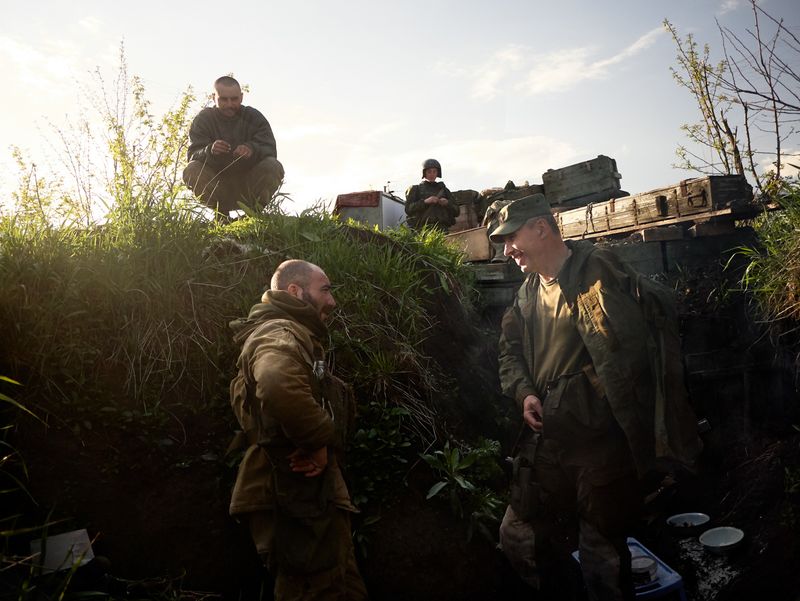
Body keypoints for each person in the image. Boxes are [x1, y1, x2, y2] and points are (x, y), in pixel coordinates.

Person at [490, 194, 700, 601]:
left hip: (601, 442)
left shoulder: (598, 269)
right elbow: (508, 352)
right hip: (548, 434)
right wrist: (525, 393)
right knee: (515, 533)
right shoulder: (527, 294)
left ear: (541, 228)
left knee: (602, 551)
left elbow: (638, 346)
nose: (507, 250)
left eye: (511, 237)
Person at [228, 259, 367, 600]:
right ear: (294, 291)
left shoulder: (293, 333)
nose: (332, 301)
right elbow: (276, 384)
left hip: (305, 495)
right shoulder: (280, 333)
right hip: (292, 492)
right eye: (325, 290)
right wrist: (318, 441)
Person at [183, 76, 285, 216]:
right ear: (214, 97)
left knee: (273, 165)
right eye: (223, 99)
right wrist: (210, 151)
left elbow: (269, 149)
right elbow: (193, 155)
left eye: (234, 99)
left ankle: (253, 214)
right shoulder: (203, 119)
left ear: (241, 97)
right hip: (218, 186)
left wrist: (251, 149)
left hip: (249, 184)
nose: (229, 104)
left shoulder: (254, 117)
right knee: (192, 169)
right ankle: (221, 215)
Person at [404, 158, 459, 231]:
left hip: (442, 228)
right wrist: (425, 202)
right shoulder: (416, 189)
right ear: (424, 173)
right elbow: (408, 209)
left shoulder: (444, 190)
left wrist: (447, 203)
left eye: (434, 171)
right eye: (429, 172)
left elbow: (457, 211)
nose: (432, 174)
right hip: (423, 229)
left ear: (437, 173)